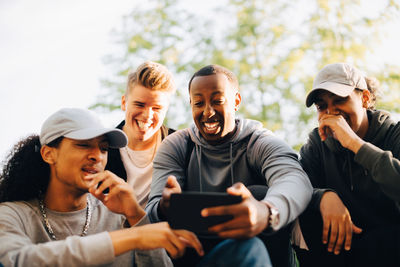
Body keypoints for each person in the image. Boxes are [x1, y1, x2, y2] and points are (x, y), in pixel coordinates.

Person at [146, 64, 313, 267]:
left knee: (258, 194)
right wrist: (165, 208)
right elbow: (151, 212)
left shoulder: (258, 142)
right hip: (198, 255)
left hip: (258, 251)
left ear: (236, 101)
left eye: (217, 101)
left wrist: (266, 212)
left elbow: (294, 178)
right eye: (199, 103)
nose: (208, 112)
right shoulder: (177, 146)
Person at [0, 108, 204, 267]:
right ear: (48, 154)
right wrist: (133, 237)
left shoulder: (119, 215)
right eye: (83, 144)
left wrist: (136, 216)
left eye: (104, 148)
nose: (97, 155)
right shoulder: (12, 214)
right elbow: (17, 261)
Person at [296, 63, 400, 267]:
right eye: (322, 106)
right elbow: (296, 188)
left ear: (365, 99)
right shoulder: (317, 144)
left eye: (340, 100)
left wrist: (354, 143)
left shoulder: (394, 134)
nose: (331, 112)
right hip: (342, 249)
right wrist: (323, 197)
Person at [106, 61, 176, 208]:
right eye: (139, 104)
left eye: (156, 108)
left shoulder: (180, 146)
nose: (147, 115)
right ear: (124, 102)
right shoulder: (102, 147)